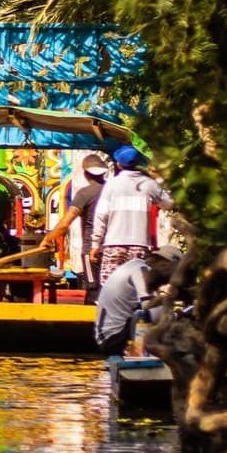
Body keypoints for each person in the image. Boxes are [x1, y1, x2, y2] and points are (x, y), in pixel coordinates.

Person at [90, 145, 175, 286]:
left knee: (110, 285)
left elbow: (101, 216)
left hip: (114, 244)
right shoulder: (148, 184)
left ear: (118, 164)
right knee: (137, 286)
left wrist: (95, 244)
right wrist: (158, 179)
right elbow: (169, 204)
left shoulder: (112, 185)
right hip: (140, 244)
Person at [50, 155, 111, 302]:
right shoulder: (113, 190)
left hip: (91, 250)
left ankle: (91, 323)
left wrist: (48, 238)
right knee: (109, 287)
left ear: (85, 173)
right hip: (112, 248)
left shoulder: (85, 194)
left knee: (92, 288)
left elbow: (65, 223)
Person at [95, 245, 178, 354]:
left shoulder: (137, 265)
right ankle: (143, 354)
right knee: (155, 314)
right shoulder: (141, 270)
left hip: (111, 333)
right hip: (112, 338)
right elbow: (148, 305)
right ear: (163, 263)